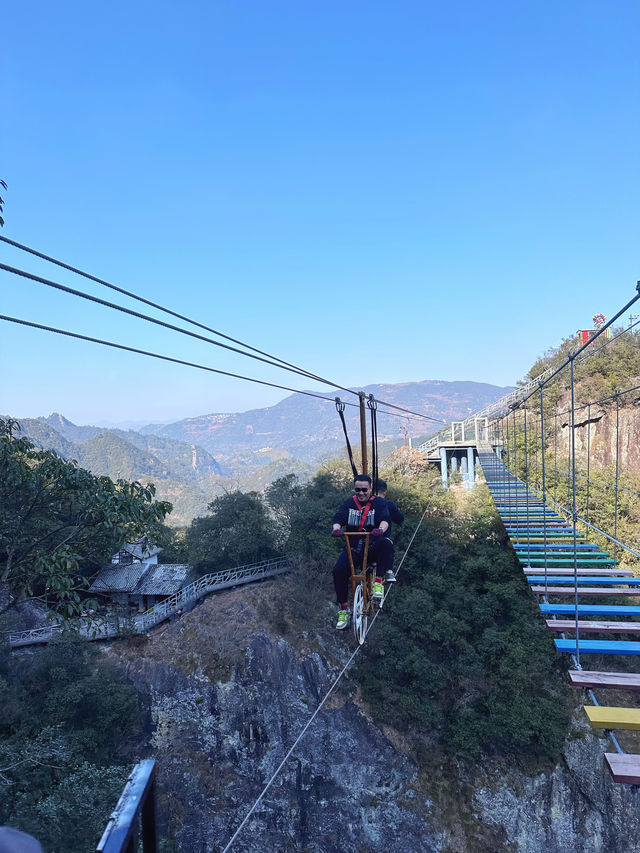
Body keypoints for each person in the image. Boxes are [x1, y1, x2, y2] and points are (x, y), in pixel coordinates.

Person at [330, 475, 392, 629]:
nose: (361, 493)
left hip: (371, 546)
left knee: (385, 544)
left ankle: (378, 582)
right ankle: (344, 609)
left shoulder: (379, 503)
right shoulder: (349, 503)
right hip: (354, 548)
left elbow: (385, 519)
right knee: (338, 571)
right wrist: (336, 529)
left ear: (371, 489)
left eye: (365, 490)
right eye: (358, 490)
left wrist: (380, 530)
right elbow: (339, 518)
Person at [375, 479, 404, 583]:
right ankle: (387, 572)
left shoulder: (365, 504)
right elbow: (400, 519)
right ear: (385, 492)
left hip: (364, 542)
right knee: (387, 544)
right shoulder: (388, 504)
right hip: (381, 541)